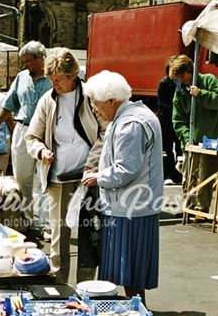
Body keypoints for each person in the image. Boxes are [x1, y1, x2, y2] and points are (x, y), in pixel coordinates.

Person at [82, 71, 163, 302]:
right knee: (132, 273)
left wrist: (98, 177)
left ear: (111, 100)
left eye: (96, 104)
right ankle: (136, 313)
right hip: (136, 206)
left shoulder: (129, 124)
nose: (95, 109)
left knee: (130, 272)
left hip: (129, 208)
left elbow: (126, 169)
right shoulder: (138, 114)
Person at [25, 49, 105, 284]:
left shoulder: (91, 96)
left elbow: (105, 133)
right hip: (58, 178)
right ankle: (59, 286)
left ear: (73, 75)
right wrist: (41, 151)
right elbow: (32, 136)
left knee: (89, 234)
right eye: (51, 79)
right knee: (59, 235)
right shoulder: (47, 100)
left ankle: (86, 287)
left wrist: (92, 164)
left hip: (87, 176)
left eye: (58, 79)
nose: (54, 84)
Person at [0, 41, 52, 228]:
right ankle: (25, 221)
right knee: (22, 180)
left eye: (28, 61)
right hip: (23, 130)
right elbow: (8, 106)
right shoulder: (21, 78)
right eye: (23, 62)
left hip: (47, 132)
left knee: (45, 180)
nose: (25, 65)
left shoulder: (52, 79)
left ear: (40, 59)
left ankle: (44, 225)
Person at [170, 53, 218, 215]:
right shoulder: (180, 92)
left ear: (190, 71)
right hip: (190, 140)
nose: (181, 80)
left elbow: (217, 101)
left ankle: (200, 208)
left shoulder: (209, 80)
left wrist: (201, 94)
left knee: (205, 174)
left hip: (210, 138)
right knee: (188, 175)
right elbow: (177, 119)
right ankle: (188, 205)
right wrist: (185, 137)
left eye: (182, 76)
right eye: (178, 77)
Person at [157, 58, 182, 184]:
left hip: (179, 121)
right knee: (166, 149)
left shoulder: (182, 84)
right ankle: (168, 174)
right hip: (166, 121)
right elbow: (162, 105)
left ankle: (179, 175)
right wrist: (176, 110)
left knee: (180, 147)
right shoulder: (164, 84)